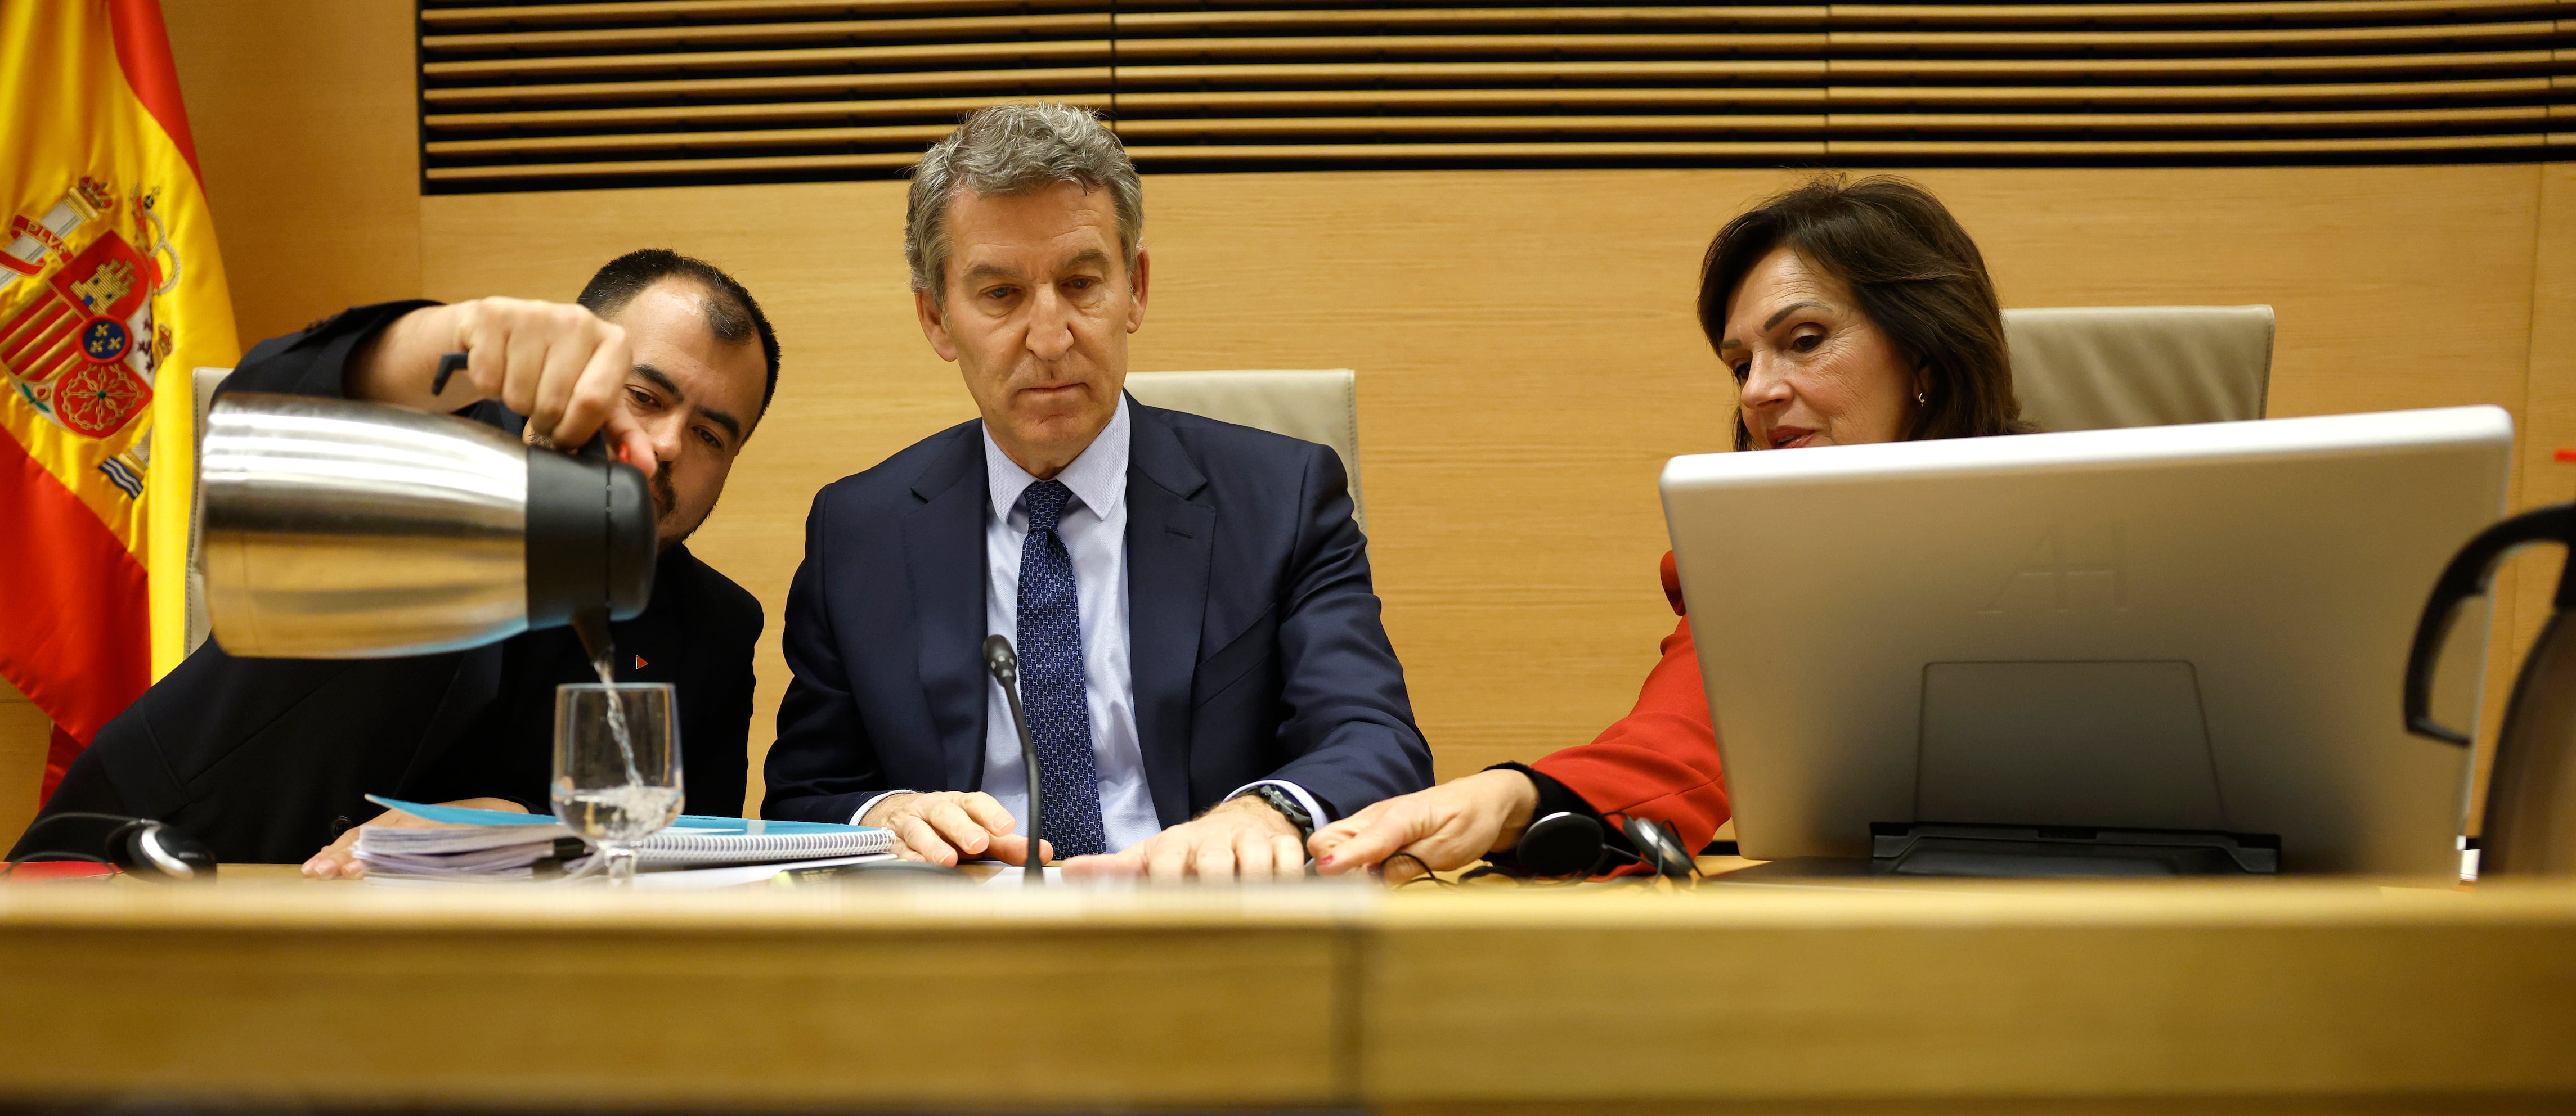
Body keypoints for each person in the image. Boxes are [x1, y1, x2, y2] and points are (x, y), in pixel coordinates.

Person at [761, 102, 1429, 879]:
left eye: (1081, 283)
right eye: (1001, 295)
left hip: (1211, 929)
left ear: (1134, 290)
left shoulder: (1283, 498)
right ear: (936, 319)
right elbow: (804, 795)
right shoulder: (858, 531)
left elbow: (1377, 738)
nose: (1050, 338)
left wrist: (1263, 813)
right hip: (963, 949)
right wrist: (889, 814)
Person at [1310, 174, 2026, 879]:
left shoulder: (2114, 518)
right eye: (1740, 364)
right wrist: (1507, 799)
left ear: (1924, 355)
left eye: (1804, 341)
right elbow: (1667, 751)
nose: (1756, 390)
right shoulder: (1757, 555)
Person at [11, 250, 780, 875]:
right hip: (161, 871)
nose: (672, 444)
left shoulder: (713, 626)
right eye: (646, 396)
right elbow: (267, 407)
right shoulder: (434, 441)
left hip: (450, 994)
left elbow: (687, 859)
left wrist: (514, 827)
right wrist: (456, 340)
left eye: (713, 436)